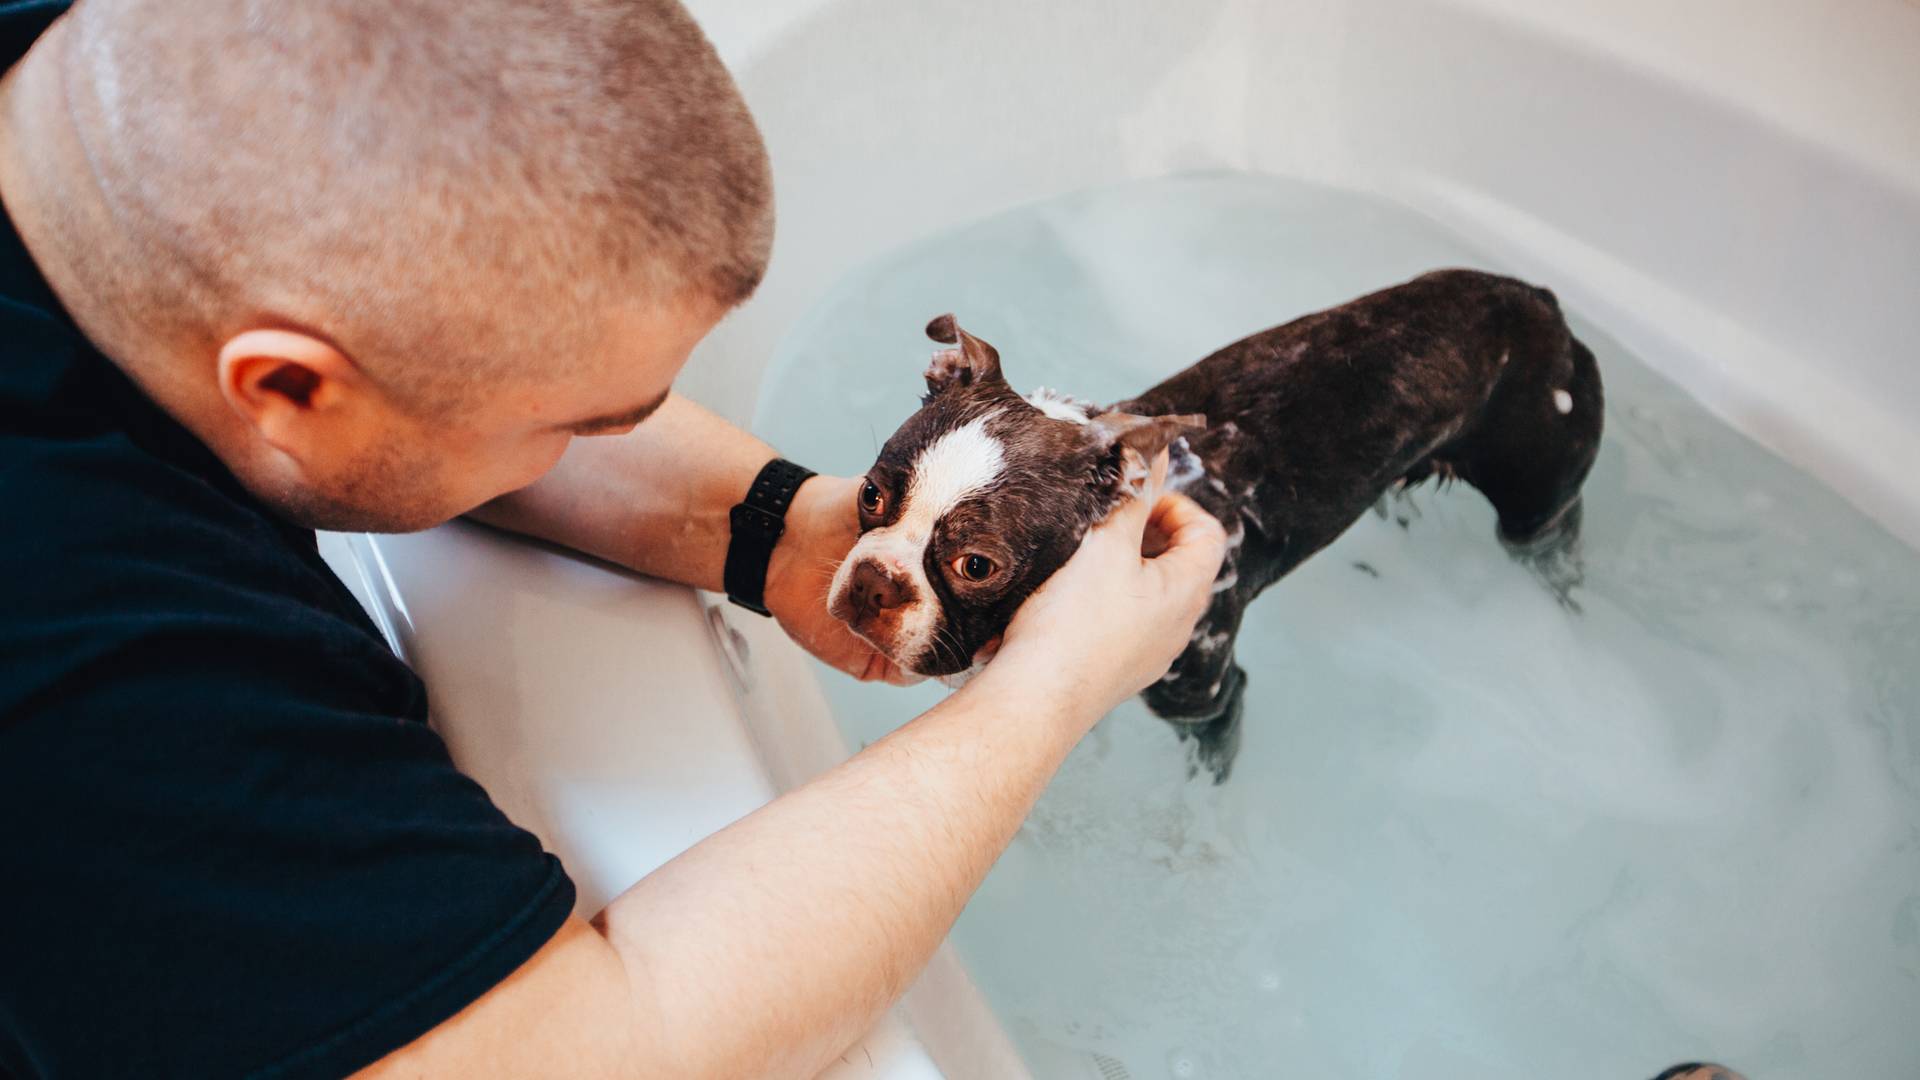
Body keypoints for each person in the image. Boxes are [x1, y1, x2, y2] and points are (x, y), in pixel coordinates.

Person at [0, 1, 1226, 1077]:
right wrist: (1046, 689)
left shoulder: (90, 87)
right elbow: (564, 1058)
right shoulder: (94, 655)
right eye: (572, 423)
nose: (612, 440)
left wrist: (781, 533)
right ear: (290, 387)